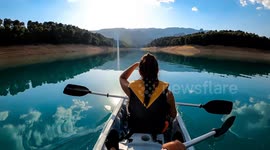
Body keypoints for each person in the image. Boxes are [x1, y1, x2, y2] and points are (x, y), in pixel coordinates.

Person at [119, 53, 177, 134]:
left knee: (126, 105)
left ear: (139, 72)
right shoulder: (168, 94)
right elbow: (173, 115)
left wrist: (135, 65)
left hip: (135, 128)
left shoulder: (131, 89)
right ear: (157, 70)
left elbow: (122, 78)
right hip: (158, 130)